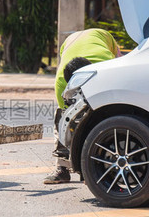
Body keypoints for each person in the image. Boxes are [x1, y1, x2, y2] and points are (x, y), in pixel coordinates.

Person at [44, 28, 121, 184]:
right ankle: (62, 169)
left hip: (101, 37)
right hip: (71, 41)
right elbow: (66, 119)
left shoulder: (108, 65)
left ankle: (97, 166)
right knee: (61, 120)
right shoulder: (61, 82)